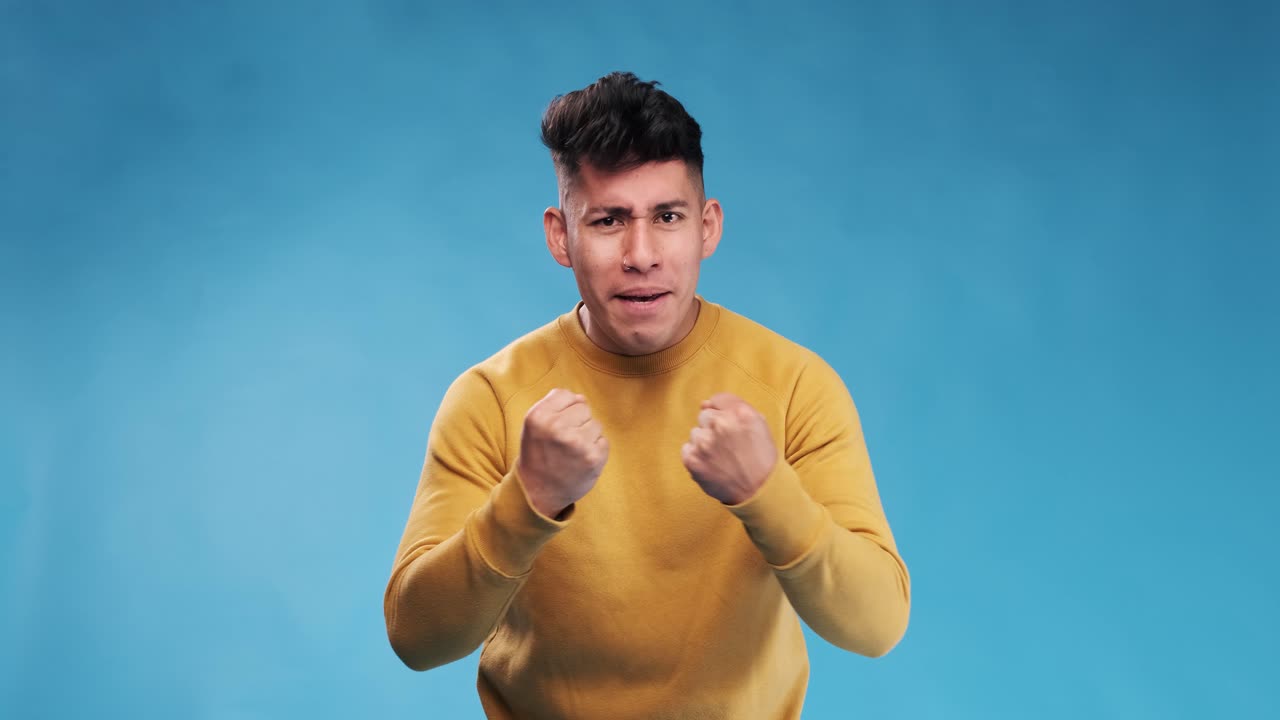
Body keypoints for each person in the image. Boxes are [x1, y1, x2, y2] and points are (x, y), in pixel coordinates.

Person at [384, 71, 910, 719]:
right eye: (608, 220)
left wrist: (766, 492)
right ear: (560, 236)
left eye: (667, 217)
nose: (642, 254)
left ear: (707, 228)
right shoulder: (490, 398)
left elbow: (877, 625)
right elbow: (417, 639)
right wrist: (529, 500)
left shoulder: (796, 386)